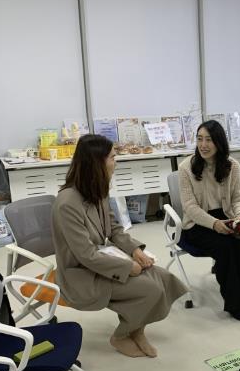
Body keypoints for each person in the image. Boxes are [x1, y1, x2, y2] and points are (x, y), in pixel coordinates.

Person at [51, 135, 187, 358]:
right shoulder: (67, 203)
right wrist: (127, 267)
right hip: (80, 274)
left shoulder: (97, 190)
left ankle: (137, 329)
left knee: (162, 277)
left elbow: (114, 228)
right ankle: (121, 336)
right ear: (97, 162)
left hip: (101, 260)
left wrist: (135, 250)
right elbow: (86, 255)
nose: (116, 162)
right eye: (113, 157)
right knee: (150, 289)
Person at [177, 120, 240, 322]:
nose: (203, 145)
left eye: (209, 140)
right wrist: (214, 224)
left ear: (219, 142)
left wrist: (239, 216)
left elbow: (238, 198)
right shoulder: (186, 168)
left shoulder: (232, 166)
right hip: (196, 225)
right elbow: (190, 207)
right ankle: (235, 303)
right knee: (225, 247)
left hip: (225, 216)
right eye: (199, 139)